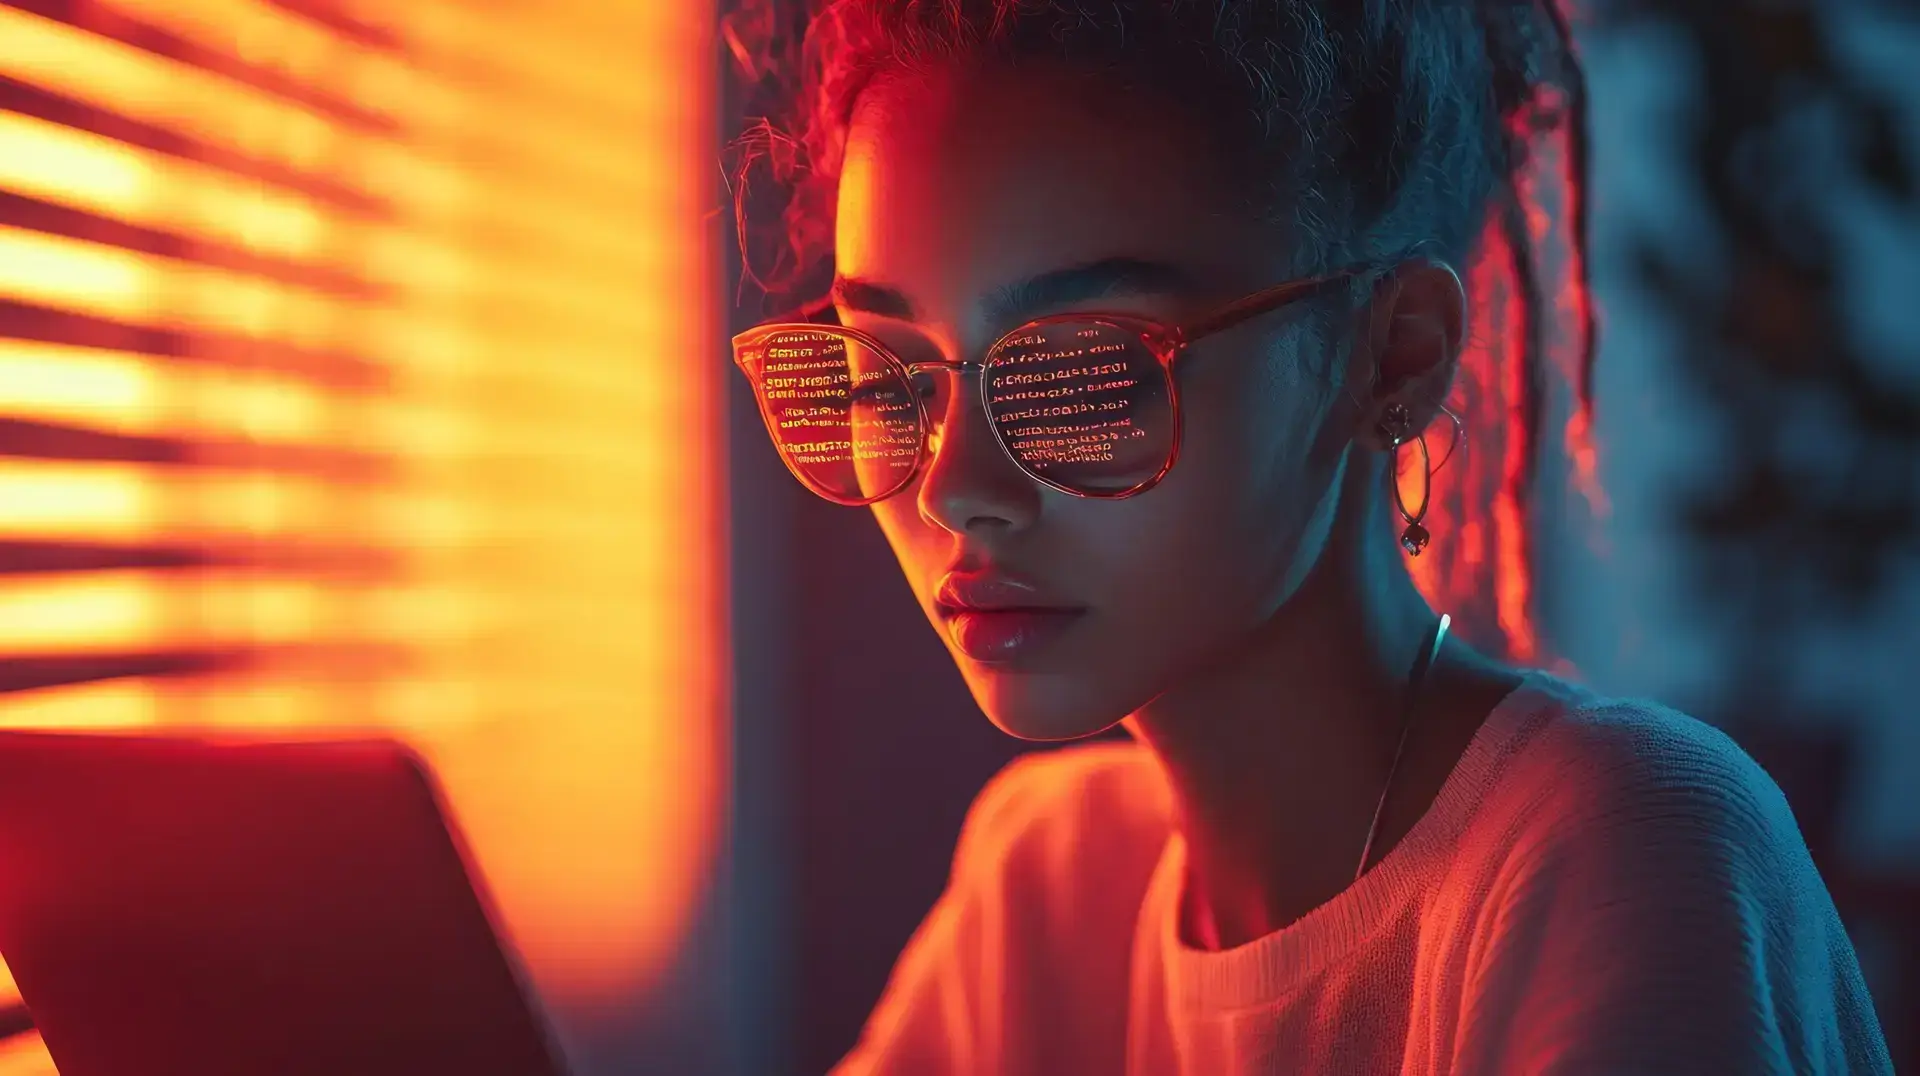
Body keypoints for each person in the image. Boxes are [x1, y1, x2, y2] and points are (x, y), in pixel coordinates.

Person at [724, 1, 1896, 1072]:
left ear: (1395, 356)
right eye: (890, 375)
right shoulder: (1049, 889)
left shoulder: (1620, 849)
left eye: (1082, 372)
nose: (952, 488)